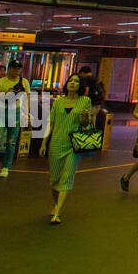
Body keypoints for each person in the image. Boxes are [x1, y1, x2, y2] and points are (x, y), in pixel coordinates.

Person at [40, 73, 93, 224]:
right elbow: (51, 122)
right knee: (54, 179)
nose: (73, 83)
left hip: (73, 144)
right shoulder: (58, 102)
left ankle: (58, 212)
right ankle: (55, 203)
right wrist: (44, 142)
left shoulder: (85, 101)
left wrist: (85, 118)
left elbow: (86, 124)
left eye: (76, 81)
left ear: (80, 86)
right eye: (71, 80)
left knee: (67, 177)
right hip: (56, 142)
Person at [0, 60, 30, 178]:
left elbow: (27, 98)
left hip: (16, 114)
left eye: (19, 68)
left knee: (11, 142)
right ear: (9, 69)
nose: (17, 71)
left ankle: (6, 167)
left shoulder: (24, 82)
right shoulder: (1, 81)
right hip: (2, 113)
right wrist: (6, 93)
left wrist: (26, 114)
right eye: (14, 68)